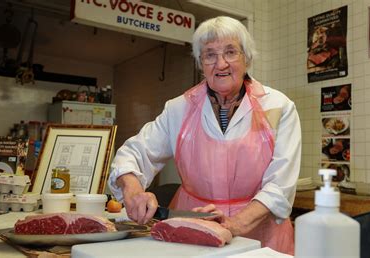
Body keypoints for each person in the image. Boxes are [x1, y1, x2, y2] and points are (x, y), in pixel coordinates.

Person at [108, 16, 301, 255]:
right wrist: (134, 191)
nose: (221, 64)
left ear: (246, 58)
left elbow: (280, 186)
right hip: (192, 232)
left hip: (260, 234)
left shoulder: (279, 106)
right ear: (201, 63)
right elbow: (133, 154)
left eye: (231, 52)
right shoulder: (178, 108)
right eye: (210, 55)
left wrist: (234, 224)